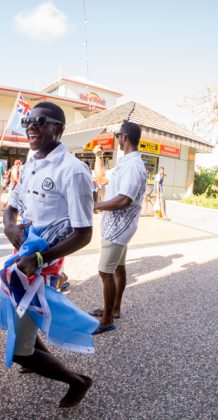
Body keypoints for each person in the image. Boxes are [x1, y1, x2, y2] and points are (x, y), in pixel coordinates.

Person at [1, 102, 95, 408]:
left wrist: (39, 259)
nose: (31, 126)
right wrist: (9, 226)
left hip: (42, 263)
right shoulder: (31, 161)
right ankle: (35, 355)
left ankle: (77, 381)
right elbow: (12, 204)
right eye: (28, 120)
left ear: (59, 129)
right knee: (22, 312)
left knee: (16, 348)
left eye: (40, 121)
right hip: (22, 256)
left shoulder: (73, 171)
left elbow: (83, 233)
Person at [89, 121, 147, 334]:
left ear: (124, 137)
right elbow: (102, 178)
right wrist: (98, 156)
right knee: (119, 268)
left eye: (117, 135)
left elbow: (124, 200)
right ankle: (114, 309)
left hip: (119, 227)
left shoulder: (133, 166)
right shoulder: (126, 163)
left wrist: (95, 205)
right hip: (118, 225)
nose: (116, 139)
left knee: (105, 272)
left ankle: (106, 320)